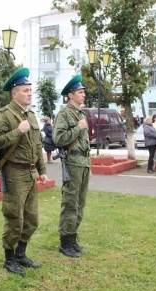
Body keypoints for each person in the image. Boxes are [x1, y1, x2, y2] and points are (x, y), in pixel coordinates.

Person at [0, 68, 48, 276]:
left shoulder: (31, 116)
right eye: (26, 90)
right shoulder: (4, 115)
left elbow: (37, 146)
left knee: (32, 218)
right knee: (15, 218)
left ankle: (21, 254)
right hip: (14, 173)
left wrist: (42, 170)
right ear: (15, 93)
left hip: (31, 174)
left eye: (31, 90)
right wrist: (17, 131)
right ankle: (9, 258)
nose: (30, 93)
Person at [53, 75, 91, 258]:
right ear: (70, 95)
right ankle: (65, 242)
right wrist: (77, 127)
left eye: (83, 92)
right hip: (73, 162)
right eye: (80, 92)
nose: (83, 95)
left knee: (80, 203)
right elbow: (58, 138)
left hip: (84, 162)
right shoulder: (65, 114)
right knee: (70, 202)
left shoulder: (81, 113)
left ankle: (73, 239)